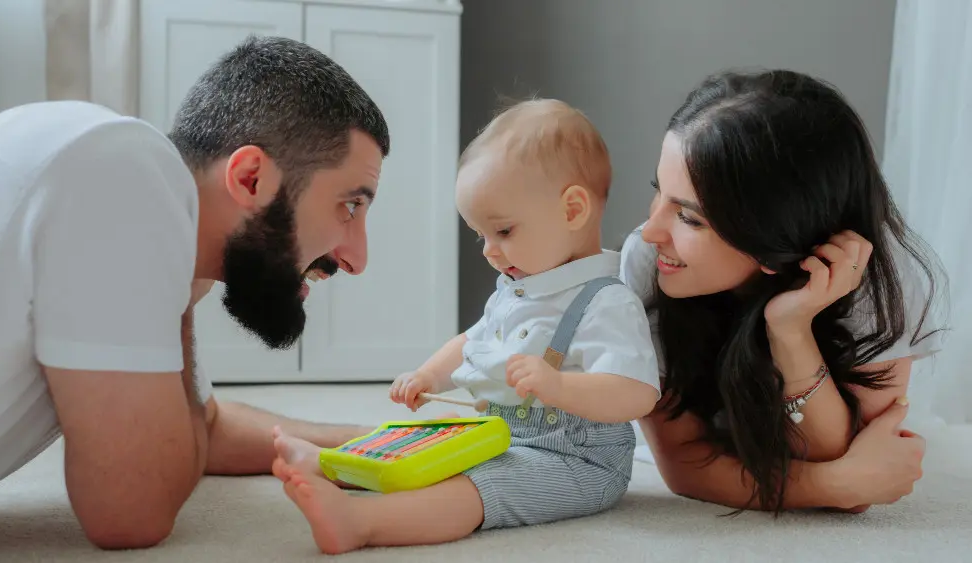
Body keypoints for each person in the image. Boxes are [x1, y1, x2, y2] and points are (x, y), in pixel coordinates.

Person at [0, 36, 388, 549]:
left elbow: (202, 426)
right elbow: (131, 510)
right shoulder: (124, 180)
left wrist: (376, 443)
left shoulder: (107, 164)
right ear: (251, 178)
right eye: (349, 206)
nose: (357, 258)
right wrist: (181, 307)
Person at [270, 99, 661, 554]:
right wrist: (427, 376)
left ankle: (362, 522)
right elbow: (470, 341)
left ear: (573, 211)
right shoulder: (519, 290)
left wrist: (559, 387)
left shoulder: (606, 301)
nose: (489, 251)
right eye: (482, 235)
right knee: (432, 443)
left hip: (577, 462)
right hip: (503, 434)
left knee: (483, 483)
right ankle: (333, 464)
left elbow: (636, 393)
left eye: (505, 232)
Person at [620, 68, 948, 514]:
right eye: (659, 194)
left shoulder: (880, 281)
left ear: (774, 237)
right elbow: (683, 463)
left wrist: (791, 329)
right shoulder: (649, 260)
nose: (651, 231)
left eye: (690, 218)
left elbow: (840, 452)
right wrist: (834, 486)